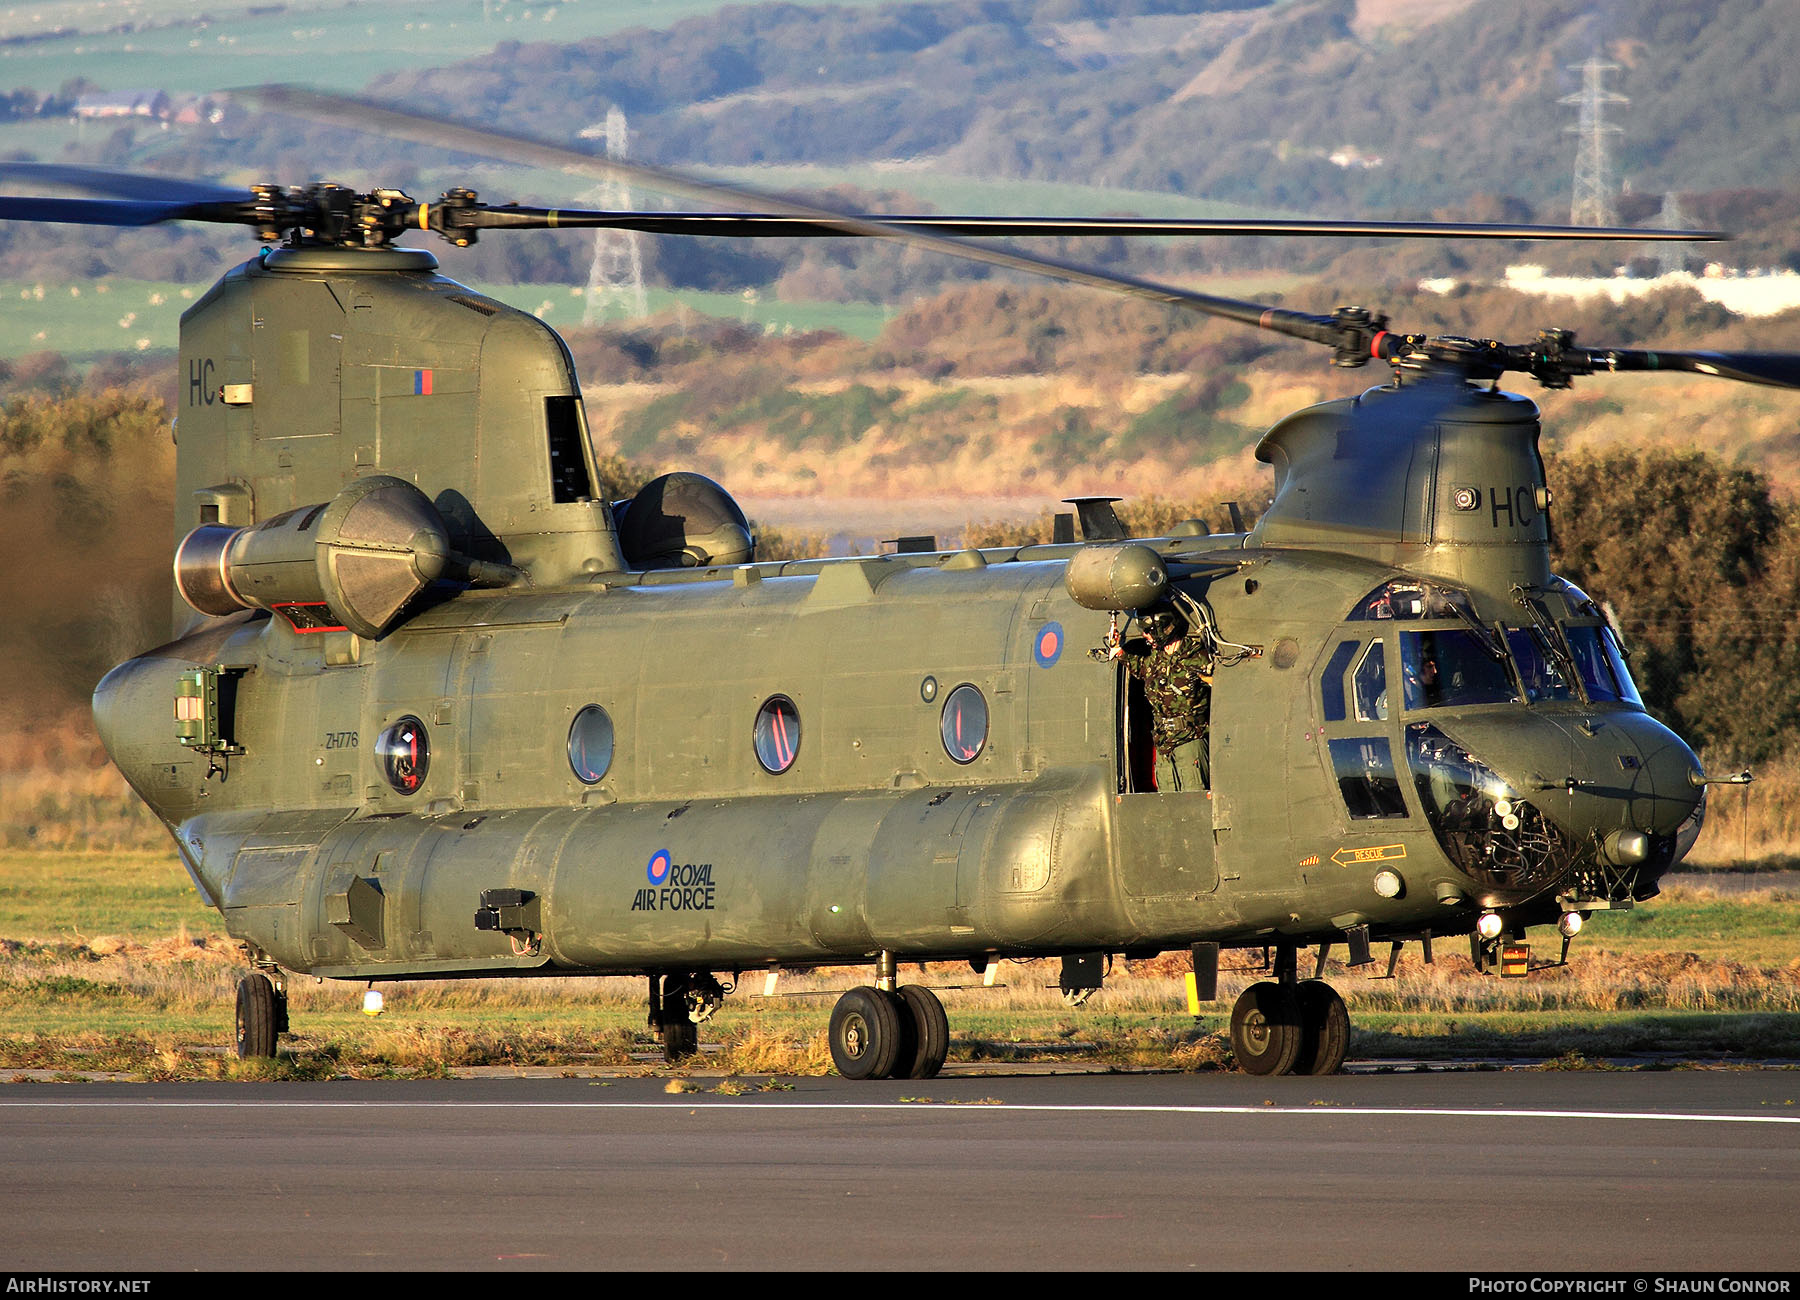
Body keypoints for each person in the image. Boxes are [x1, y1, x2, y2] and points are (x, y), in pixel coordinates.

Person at [1111, 602, 1213, 791]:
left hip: (1190, 739)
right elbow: (1141, 668)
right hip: (1164, 743)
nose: (1145, 635)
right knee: (1167, 797)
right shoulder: (1156, 660)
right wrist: (1120, 653)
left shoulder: (1197, 657)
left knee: (1194, 794)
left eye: (1149, 630)